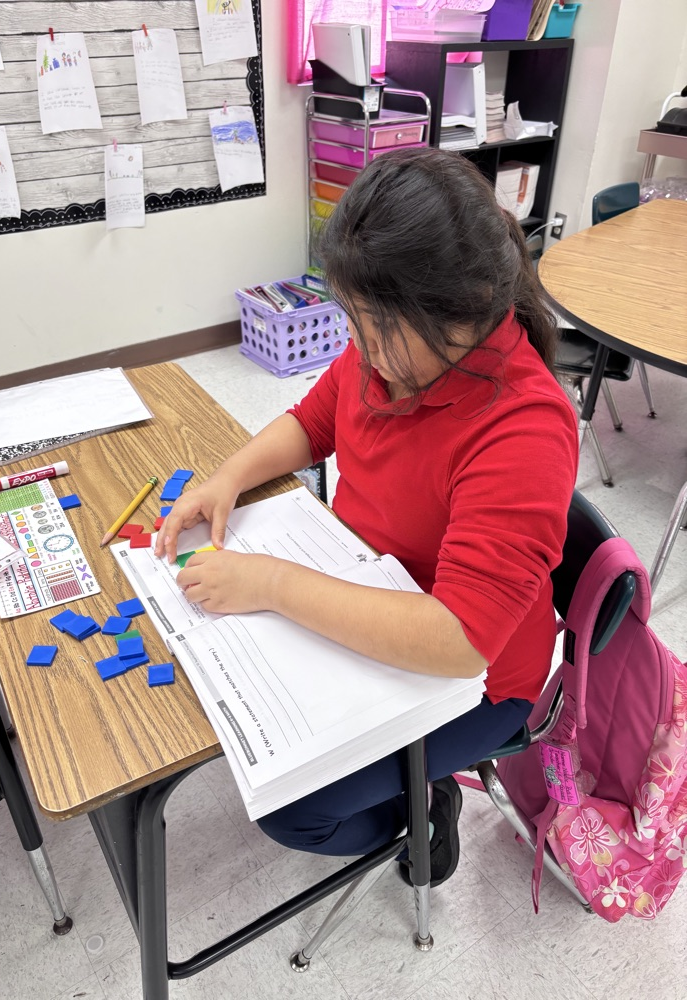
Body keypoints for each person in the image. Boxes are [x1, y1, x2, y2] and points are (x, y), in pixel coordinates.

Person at [155, 148, 578, 886]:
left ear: (468, 308)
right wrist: (227, 479)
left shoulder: (523, 430)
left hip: (474, 682)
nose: (364, 350)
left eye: (381, 328)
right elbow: (313, 421)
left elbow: (460, 641)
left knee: (294, 808)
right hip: (364, 589)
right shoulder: (392, 349)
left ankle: (425, 811)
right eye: (355, 321)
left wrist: (273, 585)